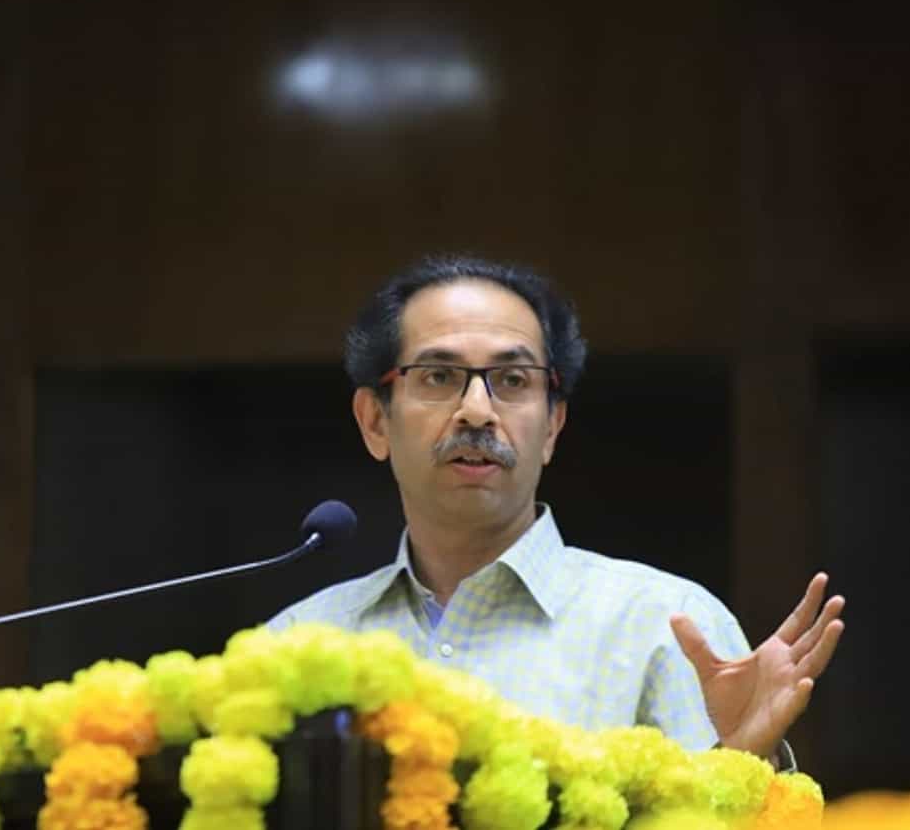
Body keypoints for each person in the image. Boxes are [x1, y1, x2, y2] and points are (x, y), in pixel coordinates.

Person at [268, 254, 844, 767]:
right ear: (375, 420)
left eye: (512, 379)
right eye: (439, 376)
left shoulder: (667, 627)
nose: (477, 411)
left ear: (552, 426)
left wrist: (742, 764)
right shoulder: (297, 644)